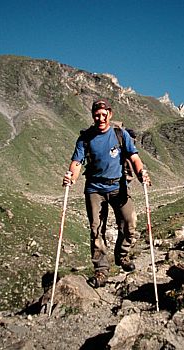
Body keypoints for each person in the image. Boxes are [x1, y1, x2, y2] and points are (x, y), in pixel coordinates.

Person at [63, 98, 150, 288]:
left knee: (129, 222)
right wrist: (71, 177)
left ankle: (122, 256)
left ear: (110, 114)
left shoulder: (120, 134)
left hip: (118, 186)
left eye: (104, 115)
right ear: (93, 116)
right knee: (96, 229)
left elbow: (134, 157)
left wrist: (141, 172)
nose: (100, 118)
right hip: (94, 188)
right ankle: (101, 270)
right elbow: (77, 162)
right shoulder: (85, 138)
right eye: (97, 115)